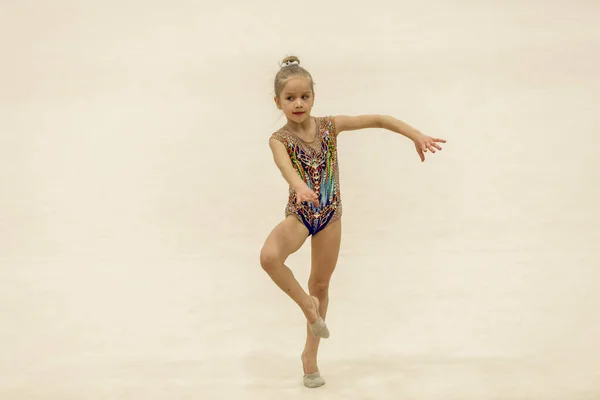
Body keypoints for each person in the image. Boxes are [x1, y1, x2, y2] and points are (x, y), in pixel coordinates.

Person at [259, 55, 446, 388]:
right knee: (269, 258)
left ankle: (310, 358)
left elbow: (378, 118)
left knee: (321, 285)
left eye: (305, 96)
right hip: (301, 214)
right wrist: (300, 186)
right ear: (278, 102)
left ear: (314, 97)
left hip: (330, 214)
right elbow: (285, 167)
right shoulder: (279, 139)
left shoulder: (330, 126)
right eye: (290, 98)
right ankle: (308, 308)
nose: (298, 103)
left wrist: (415, 134)